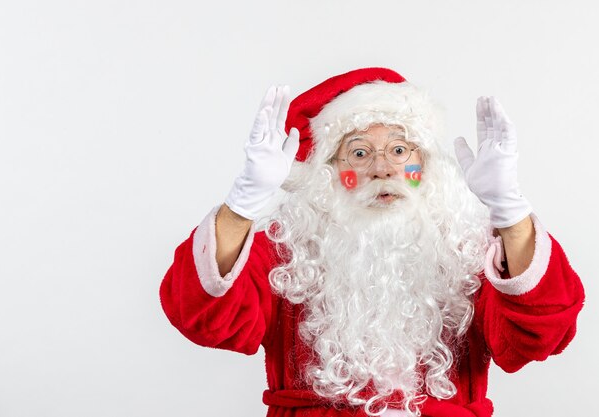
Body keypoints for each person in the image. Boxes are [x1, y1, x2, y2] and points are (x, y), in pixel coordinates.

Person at [159, 67, 584, 417]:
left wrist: (509, 213)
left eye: (400, 150)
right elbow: (202, 316)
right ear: (328, 173)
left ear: (425, 164)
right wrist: (243, 204)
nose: (383, 168)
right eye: (359, 153)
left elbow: (541, 335)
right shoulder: (291, 253)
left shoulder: (467, 249)